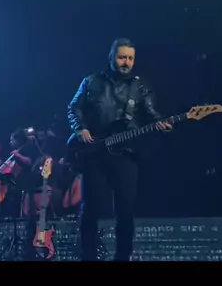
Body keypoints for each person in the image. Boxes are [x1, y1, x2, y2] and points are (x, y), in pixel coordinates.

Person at [67, 38, 171, 261]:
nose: (126, 62)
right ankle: (87, 256)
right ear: (111, 57)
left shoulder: (139, 87)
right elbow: (74, 108)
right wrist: (80, 128)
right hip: (94, 152)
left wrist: (160, 122)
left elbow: (151, 113)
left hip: (125, 153)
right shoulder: (91, 81)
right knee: (90, 208)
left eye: (130, 58)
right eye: (122, 57)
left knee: (125, 210)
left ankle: (123, 257)